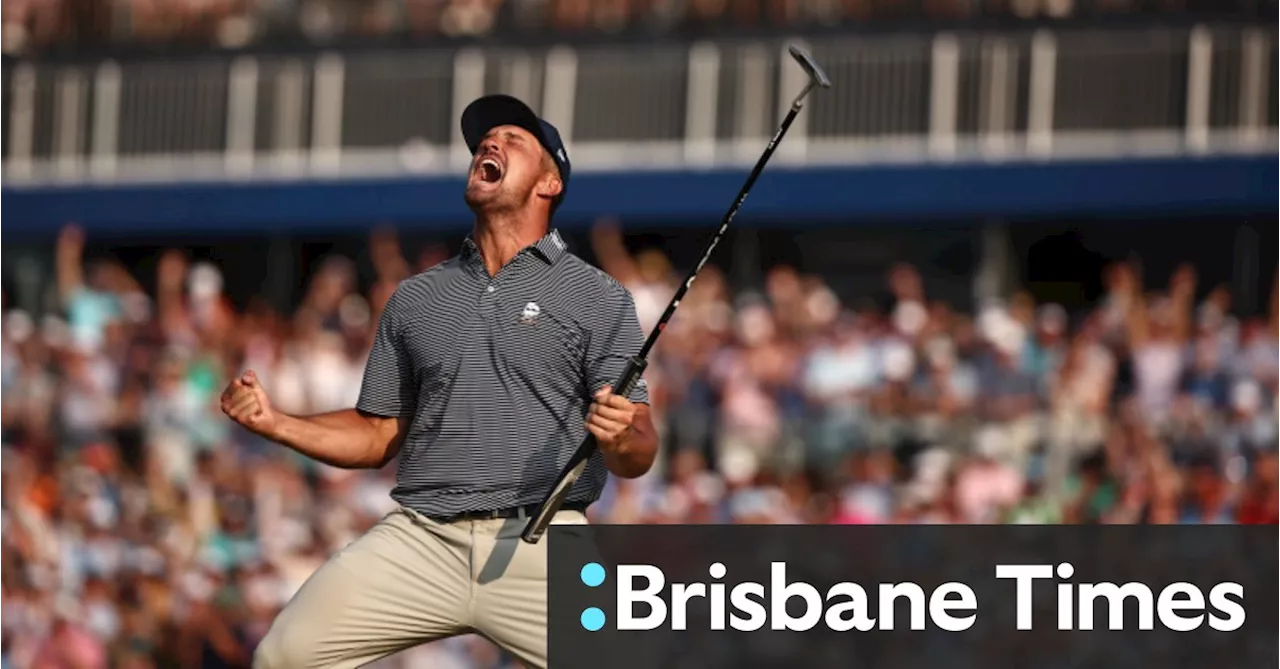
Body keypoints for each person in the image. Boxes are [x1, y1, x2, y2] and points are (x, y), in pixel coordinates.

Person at [220, 94, 659, 669]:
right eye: (484, 141)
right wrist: (275, 423)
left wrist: (623, 436)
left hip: (543, 542)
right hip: (421, 537)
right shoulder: (416, 298)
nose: (489, 145)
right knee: (285, 655)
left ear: (550, 183)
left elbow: (639, 451)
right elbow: (377, 434)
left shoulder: (598, 296)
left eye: (513, 140)